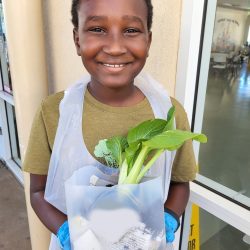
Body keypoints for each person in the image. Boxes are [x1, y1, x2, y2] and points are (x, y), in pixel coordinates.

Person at [23, 0, 197, 249]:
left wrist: (169, 217)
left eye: (131, 30)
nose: (115, 47)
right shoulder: (54, 112)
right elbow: (38, 192)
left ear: (148, 41)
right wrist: (66, 230)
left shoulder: (169, 113)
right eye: (97, 29)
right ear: (77, 40)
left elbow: (180, 182)